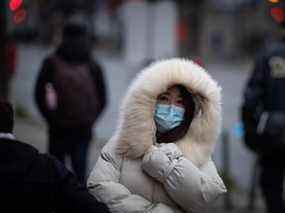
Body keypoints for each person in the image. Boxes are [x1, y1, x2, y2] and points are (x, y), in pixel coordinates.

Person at [87, 58, 227, 213]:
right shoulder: (124, 141)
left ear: (190, 109)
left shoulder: (197, 150)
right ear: (149, 101)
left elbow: (204, 196)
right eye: (164, 99)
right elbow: (98, 186)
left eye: (180, 102)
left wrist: (167, 167)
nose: (171, 108)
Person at [0, 101, 110, 213]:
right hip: (78, 131)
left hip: (63, 130)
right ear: (10, 123)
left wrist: (52, 120)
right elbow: (88, 205)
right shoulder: (45, 167)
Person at [35, 20, 107, 183]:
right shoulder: (92, 64)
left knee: (55, 174)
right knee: (79, 177)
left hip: (57, 129)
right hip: (83, 130)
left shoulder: (51, 62)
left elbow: (38, 94)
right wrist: (90, 121)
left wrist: (51, 119)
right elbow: (103, 99)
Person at [241, 29, 285, 212]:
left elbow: (250, 101)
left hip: (273, 136)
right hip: (274, 134)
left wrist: (252, 136)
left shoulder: (268, 55)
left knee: (272, 188)